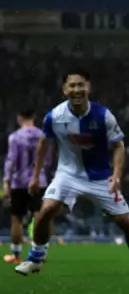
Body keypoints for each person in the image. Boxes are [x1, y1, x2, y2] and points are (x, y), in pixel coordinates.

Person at [15, 70, 129, 276]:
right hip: (67, 175)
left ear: (89, 88)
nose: (76, 90)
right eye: (72, 86)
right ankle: (36, 258)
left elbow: (119, 146)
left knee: (126, 224)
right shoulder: (55, 116)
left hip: (100, 177)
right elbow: (43, 144)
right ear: (65, 90)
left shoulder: (103, 115)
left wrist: (116, 175)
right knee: (46, 210)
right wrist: (35, 176)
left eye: (80, 85)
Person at [3, 109, 51, 265]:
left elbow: (11, 160)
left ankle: (16, 255)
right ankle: (40, 253)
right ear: (34, 117)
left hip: (19, 182)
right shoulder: (42, 135)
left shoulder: (15, 137)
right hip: (39, 181)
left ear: (19, 118)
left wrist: (6, 180)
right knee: (39, 217)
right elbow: (48, 159)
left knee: (17, 218)